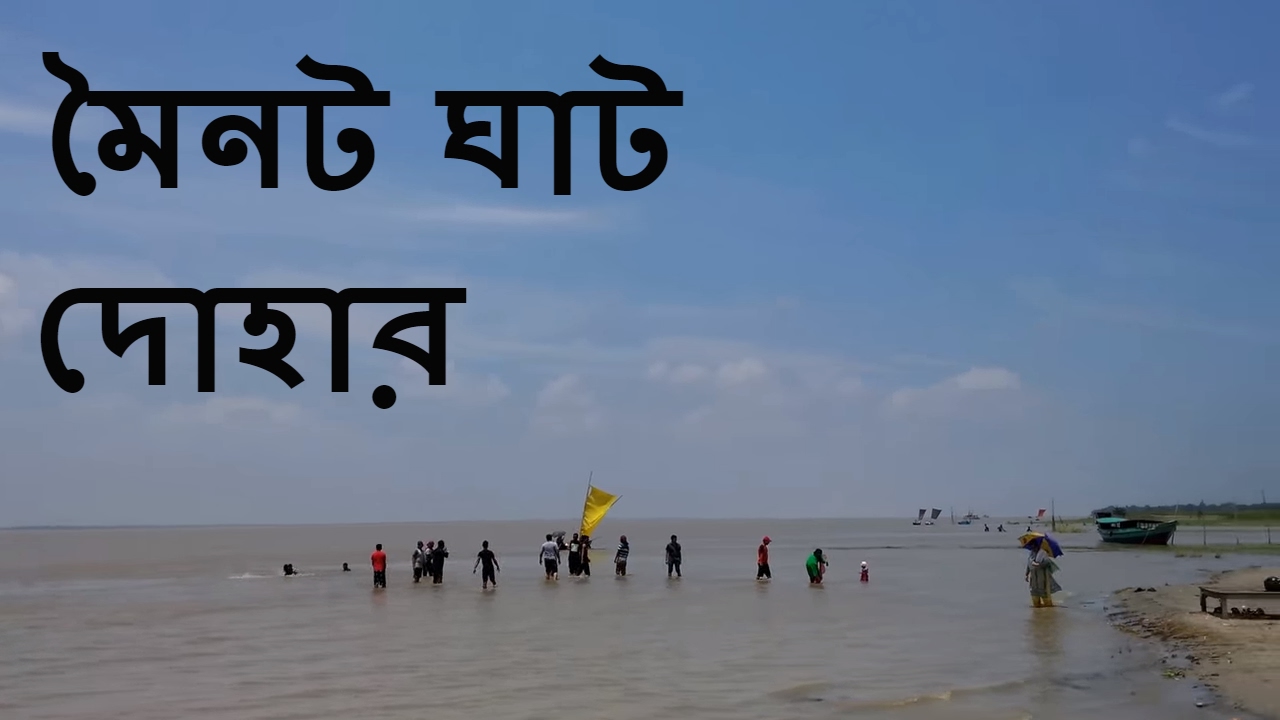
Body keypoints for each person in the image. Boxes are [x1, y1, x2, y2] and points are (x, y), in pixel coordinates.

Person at [1024, 537, 1061, 608]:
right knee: (1034, 593)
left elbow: (1047, 563)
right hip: (1033, 576)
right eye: (1032, 545)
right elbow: (1028, 564)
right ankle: (1037, 606)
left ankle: (1048, 606)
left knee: (1044, 593)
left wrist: (1038, 565)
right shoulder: (1031, 553)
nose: (1032, 547)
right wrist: (1026, 574)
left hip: (1042, 576)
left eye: (1034, 545)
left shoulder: (1043, 553)